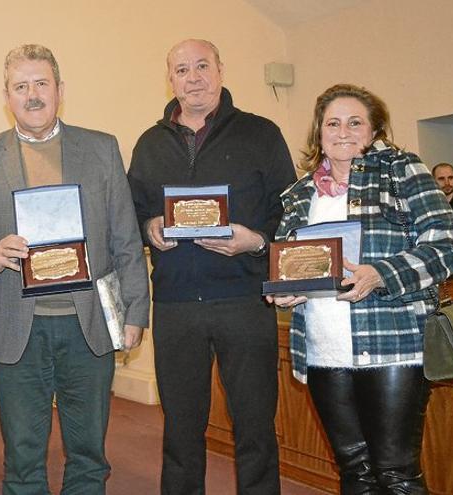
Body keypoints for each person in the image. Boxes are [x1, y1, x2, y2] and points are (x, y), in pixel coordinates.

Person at [0, 44, 149, 493]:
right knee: (23, 459)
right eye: (21, 86)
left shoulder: (101, 149)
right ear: (7, 97)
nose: (33, 95)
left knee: (88, 456)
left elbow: (125, 235)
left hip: (89, 326)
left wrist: (136, 312)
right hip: (16, 327)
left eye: (41, 83)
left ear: (60, 90)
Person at [268, 84, 453, 494]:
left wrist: (382, 274)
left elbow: (446, 246)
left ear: (374, 131)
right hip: (324, 350)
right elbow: (291, 265)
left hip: (393, 346)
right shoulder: (300, 195)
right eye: (332, 123)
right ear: (319, 134)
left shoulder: (403, 171)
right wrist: (288, 292)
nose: (343, 131)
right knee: (354, 471)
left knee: (396, 472)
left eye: (355, 122)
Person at [127, 39, 295, 494]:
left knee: (255, 429)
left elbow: (293, 213)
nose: (193, 77)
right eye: (182, 69)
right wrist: (149, 227)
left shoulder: (261, 133)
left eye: (202, 65)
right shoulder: (148, 144)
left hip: (244, 301)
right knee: (181, 430)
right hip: (177, 305)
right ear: (171, 79)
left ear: (220, 69)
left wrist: (256, 241)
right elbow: (131, 213)